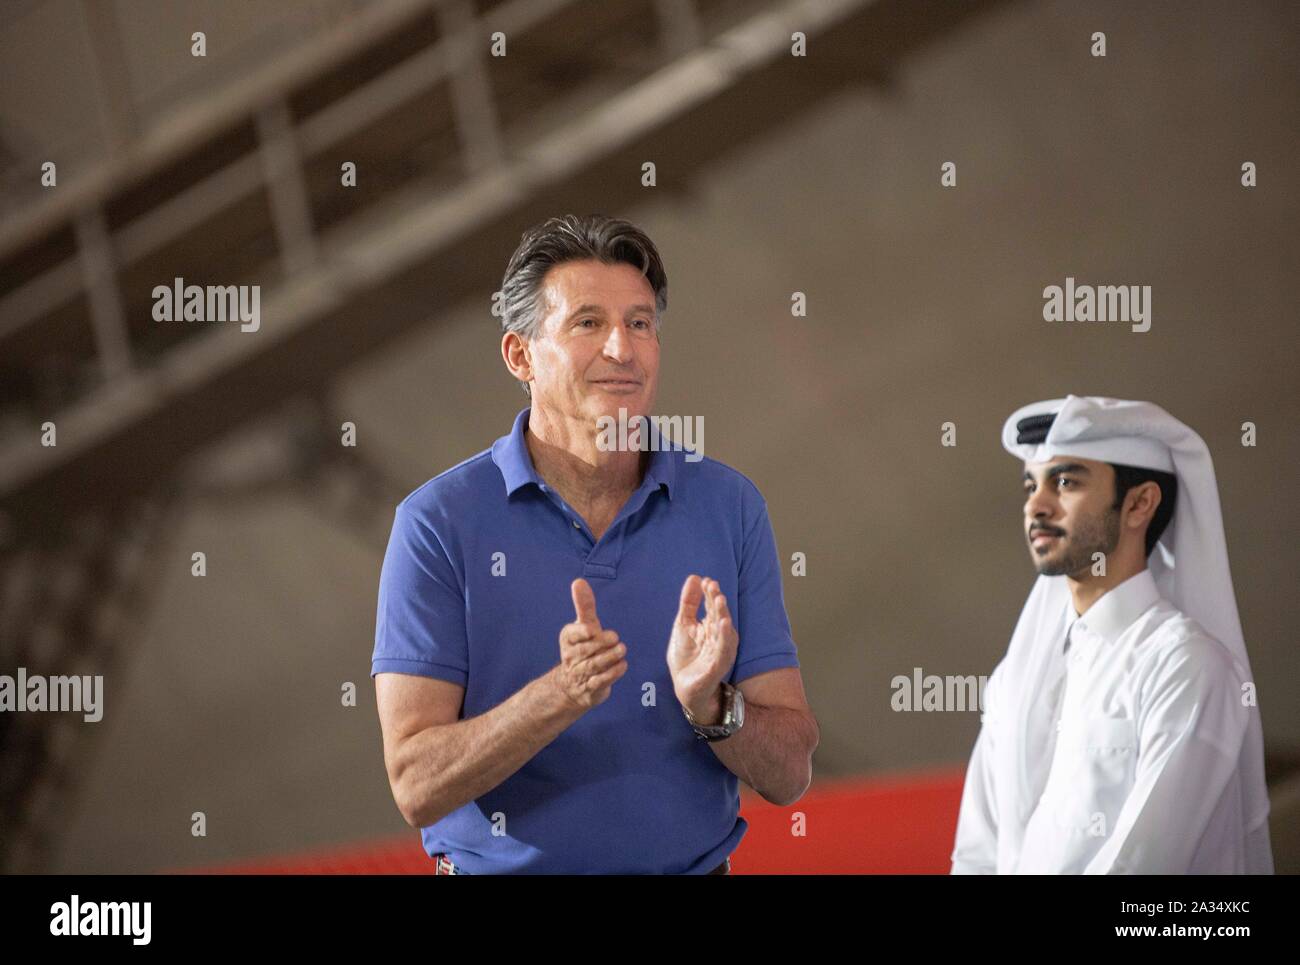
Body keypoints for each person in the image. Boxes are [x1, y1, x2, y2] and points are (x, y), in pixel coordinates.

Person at [371, 213, 818, 874]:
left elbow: (789, 772)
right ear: (520, 355)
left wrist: (711, 705)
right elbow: (415, 784)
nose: (622, 348)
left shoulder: (729, 506)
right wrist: (557, 696)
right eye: (588, 323)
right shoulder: (437, 523)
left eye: (640, 323)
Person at [951, 395, 1272, 873]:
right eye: (1030, 485)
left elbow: (1142, 864)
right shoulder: (1016, 678)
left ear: (1140, 503)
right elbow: (976, 856)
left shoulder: (1187, 666)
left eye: (1065, 482)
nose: (1036, 505)